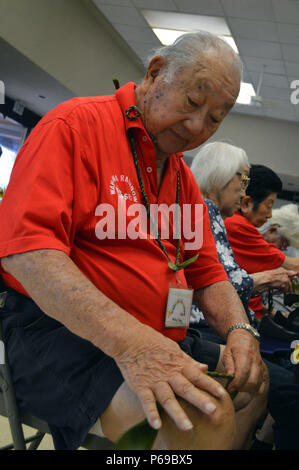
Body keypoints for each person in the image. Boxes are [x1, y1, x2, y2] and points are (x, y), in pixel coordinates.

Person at [0, 32, 267, 450]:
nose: (198, 127)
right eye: (193, 103)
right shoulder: (74, 127)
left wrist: (239, 329)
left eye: (215, 118)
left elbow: (208, 271)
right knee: (195, 423)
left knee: (252, 382)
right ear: (156, 73)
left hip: (158, 331)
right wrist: (134, 344)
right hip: (56, 332)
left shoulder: (181, 179)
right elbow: (30, 255)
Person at [190, 142, 299, 449]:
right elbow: (219, 284)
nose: (243, 194)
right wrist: (267, 278)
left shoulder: (209, 215)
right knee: (280, 387)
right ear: (219, 177)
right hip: (206, 329)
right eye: (242, 181)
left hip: (213, 327)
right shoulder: (206, 214)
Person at [225, 165, 299, 318]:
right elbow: (294, 265)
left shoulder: (236, 223)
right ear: (246, 204)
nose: (270, 215)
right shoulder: (238, 226)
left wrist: (277, 315)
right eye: (268, 205)